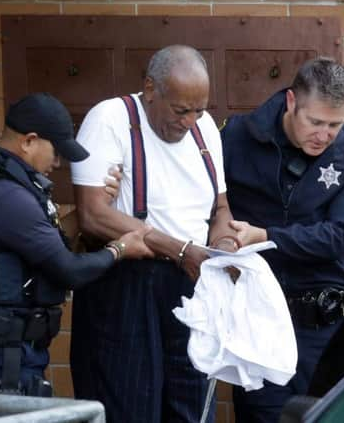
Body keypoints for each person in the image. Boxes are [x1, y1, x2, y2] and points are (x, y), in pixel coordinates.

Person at [0, 92, 153, 421]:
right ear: (29, 141)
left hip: (9, 353)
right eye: (55, 152)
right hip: (2, 361)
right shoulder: (6, 195)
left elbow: (43, 244)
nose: (57, 164)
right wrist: (120, 249)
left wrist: (94, 207)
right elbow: (68, 269)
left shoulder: (0, 179)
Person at [69, 45, 239, 423]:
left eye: (199, 110)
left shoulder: (205, 129)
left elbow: (221, 208)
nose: (190, 121)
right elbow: (93, 216)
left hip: (191, 280)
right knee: (128, 407)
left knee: (193, 406)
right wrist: (179, 249)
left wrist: (225, 246)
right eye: (181, 110)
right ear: (150, 88)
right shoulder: (111, 119)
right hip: (127, 285)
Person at [220, 57, 344, 422]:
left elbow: (340, 237)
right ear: (291, 102)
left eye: (335, 125)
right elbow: (202, 201)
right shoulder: (235, 137)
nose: (323, 135)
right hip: (259, 323)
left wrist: (265, 237)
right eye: (315, 122)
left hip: (326, 326)